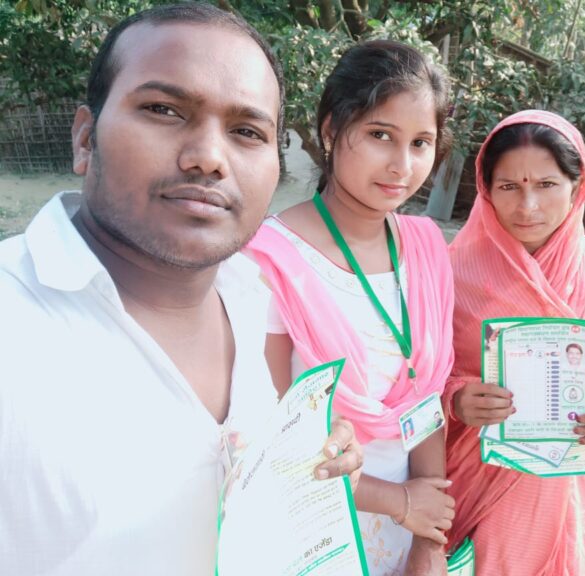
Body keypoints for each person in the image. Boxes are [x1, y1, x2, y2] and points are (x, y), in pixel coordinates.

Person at [0, 5, 363, 575]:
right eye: (164, 110)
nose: (209, 158)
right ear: (85, 139)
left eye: (247, 131)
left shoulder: (248, 296)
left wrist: (298, 466)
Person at [246, 40, 456, 575]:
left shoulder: (427, 248)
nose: (402, 166)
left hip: (407, 530)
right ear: (331, 130)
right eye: (380, 135)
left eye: (421, 142)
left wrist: (428, 540)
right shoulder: (270, 261)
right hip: (310, 535)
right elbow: (268, 434)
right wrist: (400, 502)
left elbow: (425, 401)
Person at [443, 110, 585, 575]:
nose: (527, 207)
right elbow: (422, 374)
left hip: (572, 482)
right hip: (481, 477)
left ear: (578, 188)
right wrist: (457, 396)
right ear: (485, 188)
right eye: (509, 187)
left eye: (546, 185)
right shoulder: (451, 272)